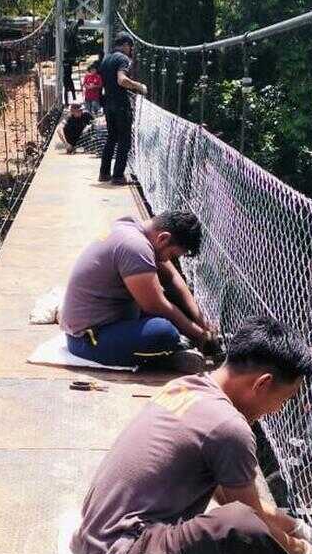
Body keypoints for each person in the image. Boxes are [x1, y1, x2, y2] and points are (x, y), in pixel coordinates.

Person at [70, 316, 312, 554]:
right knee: (240, 532)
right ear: (262, 384)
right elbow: (248, 520)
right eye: (285, 399)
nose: (278, 409)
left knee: (232, 534)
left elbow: (229, 497)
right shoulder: (229, 428)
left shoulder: (184, 387)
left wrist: (294, 525)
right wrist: (304, 553)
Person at [59, 210, 213, 371]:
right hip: (89, 339)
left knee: (178, 305)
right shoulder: (135, 246)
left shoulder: (132, 227)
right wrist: (199, 335)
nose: (168, 260)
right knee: (164, 334)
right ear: (163, 238)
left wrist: (201, 322)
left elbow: (173, 279)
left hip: (110, 322)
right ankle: (165, 359)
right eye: (172, 254)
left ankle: (166, 351)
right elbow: (156, 306)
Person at [98, 34, 148, 185]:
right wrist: (139, 87)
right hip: (120, 104)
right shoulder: (123, 59)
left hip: (108, 103)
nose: (131, 50)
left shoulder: (106, 59)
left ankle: (104, 173)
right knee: (124, 140)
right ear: (126, 44)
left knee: (111, 137)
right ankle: (118, 176)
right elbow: (122, 80)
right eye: (130, 47)